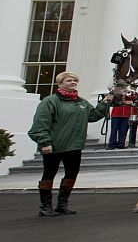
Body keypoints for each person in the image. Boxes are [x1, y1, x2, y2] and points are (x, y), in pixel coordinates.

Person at [27, 72, 111, 216]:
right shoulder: (50, 101)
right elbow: (40, 123)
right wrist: (44, 142)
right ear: (60, 84)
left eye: (75, 81)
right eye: (69, 81)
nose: (73, 82)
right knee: (49, 174)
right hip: (54, 146)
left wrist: (104, 103)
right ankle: (45, 206)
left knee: (71, 174)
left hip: (74, 146)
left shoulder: (81, 102)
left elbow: (93, 116)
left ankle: (62, 204)